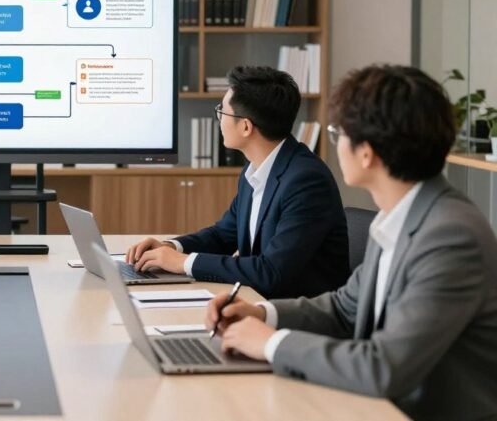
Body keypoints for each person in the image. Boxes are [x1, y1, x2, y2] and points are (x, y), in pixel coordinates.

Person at [208, 65, 497, 421]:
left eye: (338, 132)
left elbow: (383, 367)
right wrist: (261, 314)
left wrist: (270, 343)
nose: (334, 144)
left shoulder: (450, 237)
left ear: (367, 153)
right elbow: (347, 308)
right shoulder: (400, 215)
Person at [125, 66, 349, 299]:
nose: (219, 118)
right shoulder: (255, 169)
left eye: (222, 110)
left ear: (245, 127)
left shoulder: (306, 181)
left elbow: (271, 272)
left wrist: (183, 263)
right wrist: (172, 247)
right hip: (256, 300)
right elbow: (224, 234)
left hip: (295, 316)